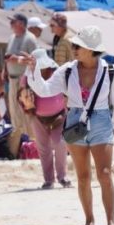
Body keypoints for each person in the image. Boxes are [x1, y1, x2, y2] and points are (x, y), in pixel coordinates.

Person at [26, 26, 114, 225]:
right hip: (75, 120)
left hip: (102, 121)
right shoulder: (67, 70)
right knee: (83, 176)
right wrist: (33, 69)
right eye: (74, 45)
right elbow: (44, 89)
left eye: (78, 46)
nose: (73, 48)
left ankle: (111, 222)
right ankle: (89, 219)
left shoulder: (111, 71)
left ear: (91, 49)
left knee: (105, 173)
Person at [19, 49, 70, 189]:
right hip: (37, 117)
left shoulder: (57, 73)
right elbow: (21, 95)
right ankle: (49, 179)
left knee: (60, 143)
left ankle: (62, 176)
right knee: (43, 148)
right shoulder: (27, 77)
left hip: (59, 115)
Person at [4, 13, 38, 143]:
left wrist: (17, 59)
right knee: (14, 111)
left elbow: (35, 59)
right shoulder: (12, 37)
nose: (11, 24)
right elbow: (8, 57)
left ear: (22, 24)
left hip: (25, 81)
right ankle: (18, 143)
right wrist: (4, 72)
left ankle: (31, 141)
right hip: (12, 80)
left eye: (14, 22)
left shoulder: (30, 38)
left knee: (26, 111)